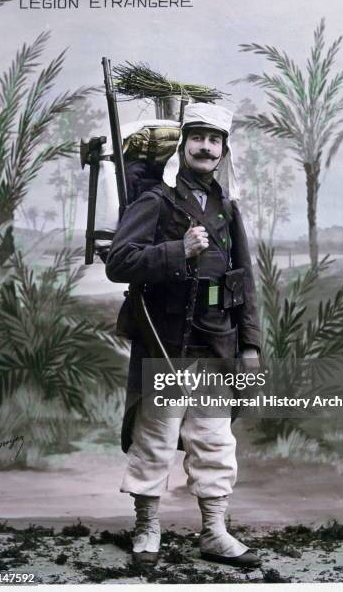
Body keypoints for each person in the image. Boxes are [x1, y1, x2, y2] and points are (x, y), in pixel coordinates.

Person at [106, 102, 261, 567]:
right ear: (183, 145)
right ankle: (147, 530)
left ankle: (214, 533)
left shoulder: (226, 209)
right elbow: (119, 262)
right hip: (165, 342)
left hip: (215, 342)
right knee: (154, 439)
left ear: (223, 151)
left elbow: (244, 278)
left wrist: (250, 344)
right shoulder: (155, 201)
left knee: (214, 441)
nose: (206, 147)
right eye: (198, 138)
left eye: (215, 141)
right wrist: (178, 249)